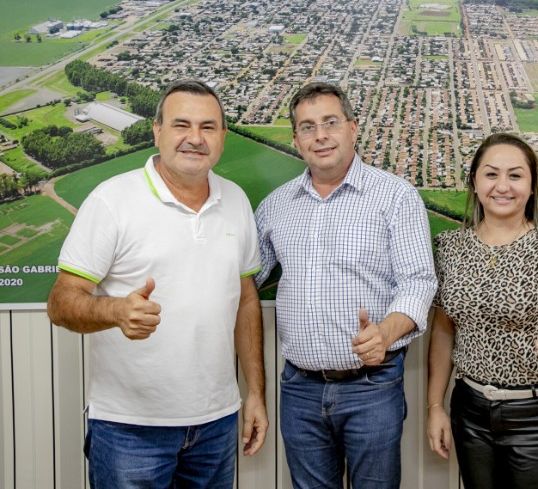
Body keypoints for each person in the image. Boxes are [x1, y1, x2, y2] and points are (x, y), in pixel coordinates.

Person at [47, 79, 268, 488]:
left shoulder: (235, 200)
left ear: (222, 136)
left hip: (217, 425)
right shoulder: (112, 200)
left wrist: (255, 392)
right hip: (130, 430)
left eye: (207, 127)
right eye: (181, 125)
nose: (194, 139)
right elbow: (61, 301)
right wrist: (114, 310)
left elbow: (246, 301)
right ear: (157, 131)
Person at [254, 82, 437, 489]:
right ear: (296, 140)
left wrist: (385, 332)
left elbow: (420, 280)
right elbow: (244, 282)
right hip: (298, 389)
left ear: (353, 128)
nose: (320, 135)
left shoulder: (395, 196)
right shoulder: (275, 206)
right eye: (307, 126)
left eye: (330, 123)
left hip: (372, 386)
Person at [426, 132, 538, 489]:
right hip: (468, 409)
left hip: (536, 416)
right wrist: (435, 407)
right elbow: (443, 330)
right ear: (474, 182)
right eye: (491, 174)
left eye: (515, 175)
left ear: (533, 186)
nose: (503, 186)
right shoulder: (451, 247)